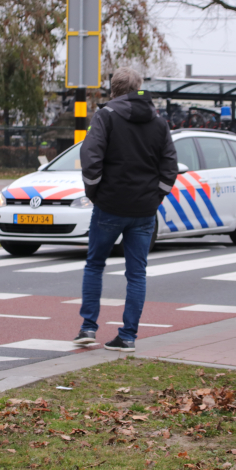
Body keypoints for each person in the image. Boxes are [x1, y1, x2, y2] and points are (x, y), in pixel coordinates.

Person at [72, 67, 178, 351]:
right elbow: (170, 167)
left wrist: (95, 193)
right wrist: (155, 197)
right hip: (144, 210)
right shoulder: (159, 123)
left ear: (114, 89)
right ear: (138, 87)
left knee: (95, 264)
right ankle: (128, 335)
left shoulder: (106, 116)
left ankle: (88, 327)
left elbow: (90, 156)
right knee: (137, 273)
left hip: (109, 205)